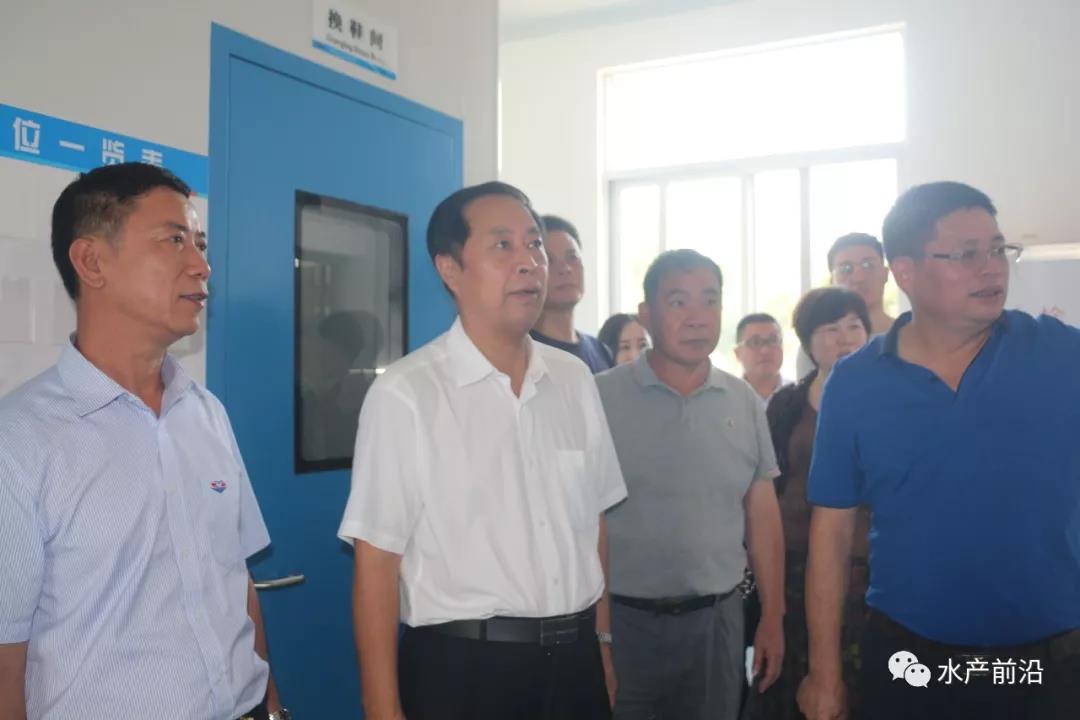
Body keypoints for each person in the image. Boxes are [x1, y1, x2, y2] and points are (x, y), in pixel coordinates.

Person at [0, 163, 287, 720]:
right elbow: (5, 661)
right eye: (174, 240)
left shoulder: (205, 413)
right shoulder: (21, 441)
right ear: (91, 262)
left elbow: (237, 582)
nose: (201, 265)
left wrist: (271, 707)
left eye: (200, 244)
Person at [338, 182, 627, 720]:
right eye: (503, 245)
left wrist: (603, 646)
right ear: (450, 269)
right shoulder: (408, 393)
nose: (529, 262)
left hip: (576, 663)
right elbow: (376, 562)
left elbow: (594, 528)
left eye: (534, 244)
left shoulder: (574, 380)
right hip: (464, 671)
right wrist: (381, 708)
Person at [798, 182, 1080, 720]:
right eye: (967, 253)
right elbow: (831, 532)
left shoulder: (1062, 355)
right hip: (911, 660)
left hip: (1047, 664)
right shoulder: (855, 384)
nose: (991, 268)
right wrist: (825, 673)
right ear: (905, 272)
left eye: (997, 249)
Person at [596, 249, 785, 720]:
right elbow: (583, 520)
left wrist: (773, 617)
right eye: (679, 302)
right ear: (646, 314)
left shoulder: (742, 400)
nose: (698, 317)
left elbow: (762, 516)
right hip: (623, 622)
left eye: (710, 300)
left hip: (716, 623)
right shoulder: (600, 397)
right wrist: (599, 637)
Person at [743, 287, 870, 720]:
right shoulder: (788, 404)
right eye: (831, 328)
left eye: (854, 326)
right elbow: (767, 487)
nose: (845, 337)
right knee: (792, 678)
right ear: (808, 341)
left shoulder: (885, 398)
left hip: (864, 568)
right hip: (795, 566)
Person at [530, 214, 614, 373]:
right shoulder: (524, 352)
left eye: (572, 257)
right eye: (549, 260)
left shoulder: (600, 350)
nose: (565, 269)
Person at [828, 233, 894, 335]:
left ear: (885, 274)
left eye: (868, 265)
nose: (859, 278)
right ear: (832, 281)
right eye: (845, 269)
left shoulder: (913, 337)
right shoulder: (821, 341)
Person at [734, 312, 788, 408]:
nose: (765, 350)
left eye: (773, 341)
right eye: (755, 342)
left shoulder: (802, 396)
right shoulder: (727, 399)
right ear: (738, 353)